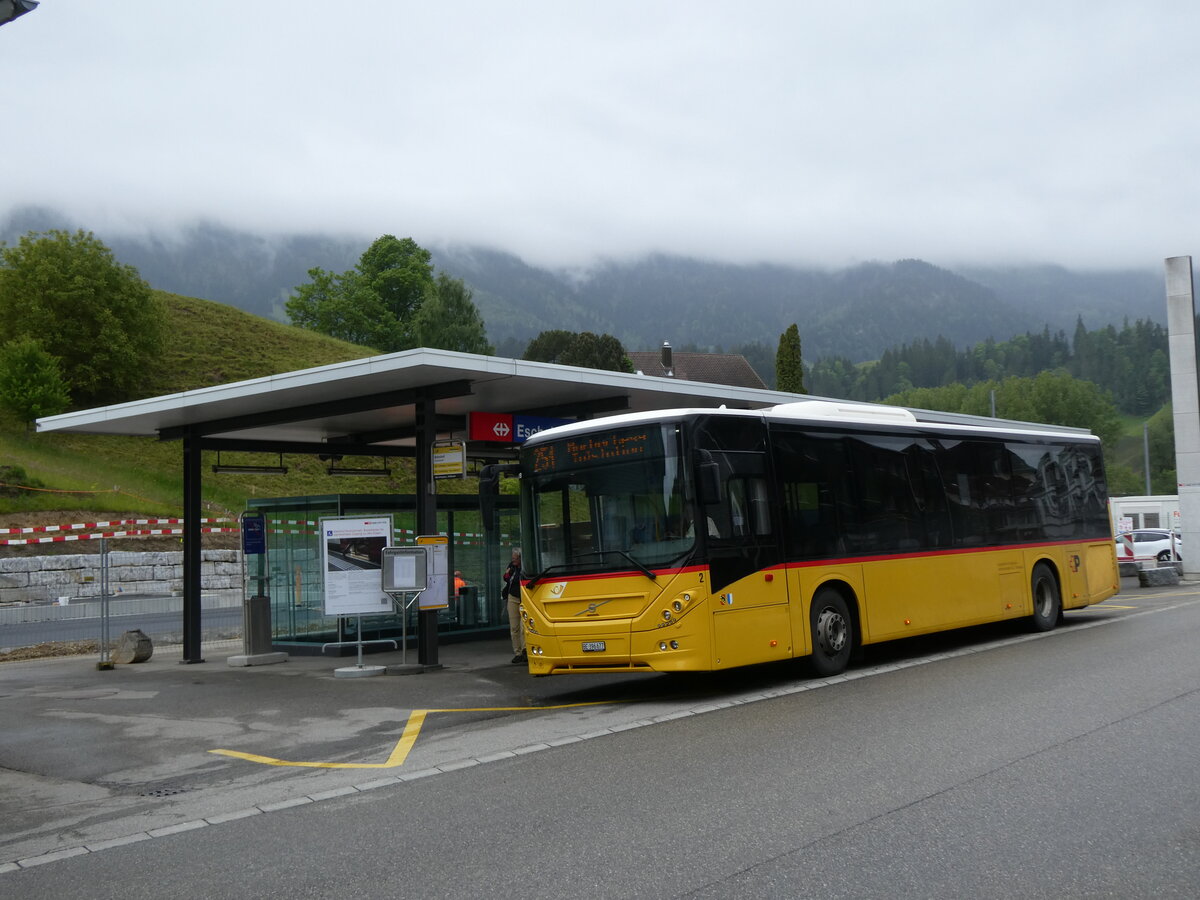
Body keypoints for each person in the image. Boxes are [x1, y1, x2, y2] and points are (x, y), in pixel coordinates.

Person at [503, 548, 526, 663]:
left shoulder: (525, 568)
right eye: (512, 559)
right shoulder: (512, 567)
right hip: (513, 596)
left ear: (521, 558)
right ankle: (518, 652)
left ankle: (525, 649)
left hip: (524, 598)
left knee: (523, 627)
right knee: (514, 627)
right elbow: (506, 578)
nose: (513, 561)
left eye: (515, 559)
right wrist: (508, 574)